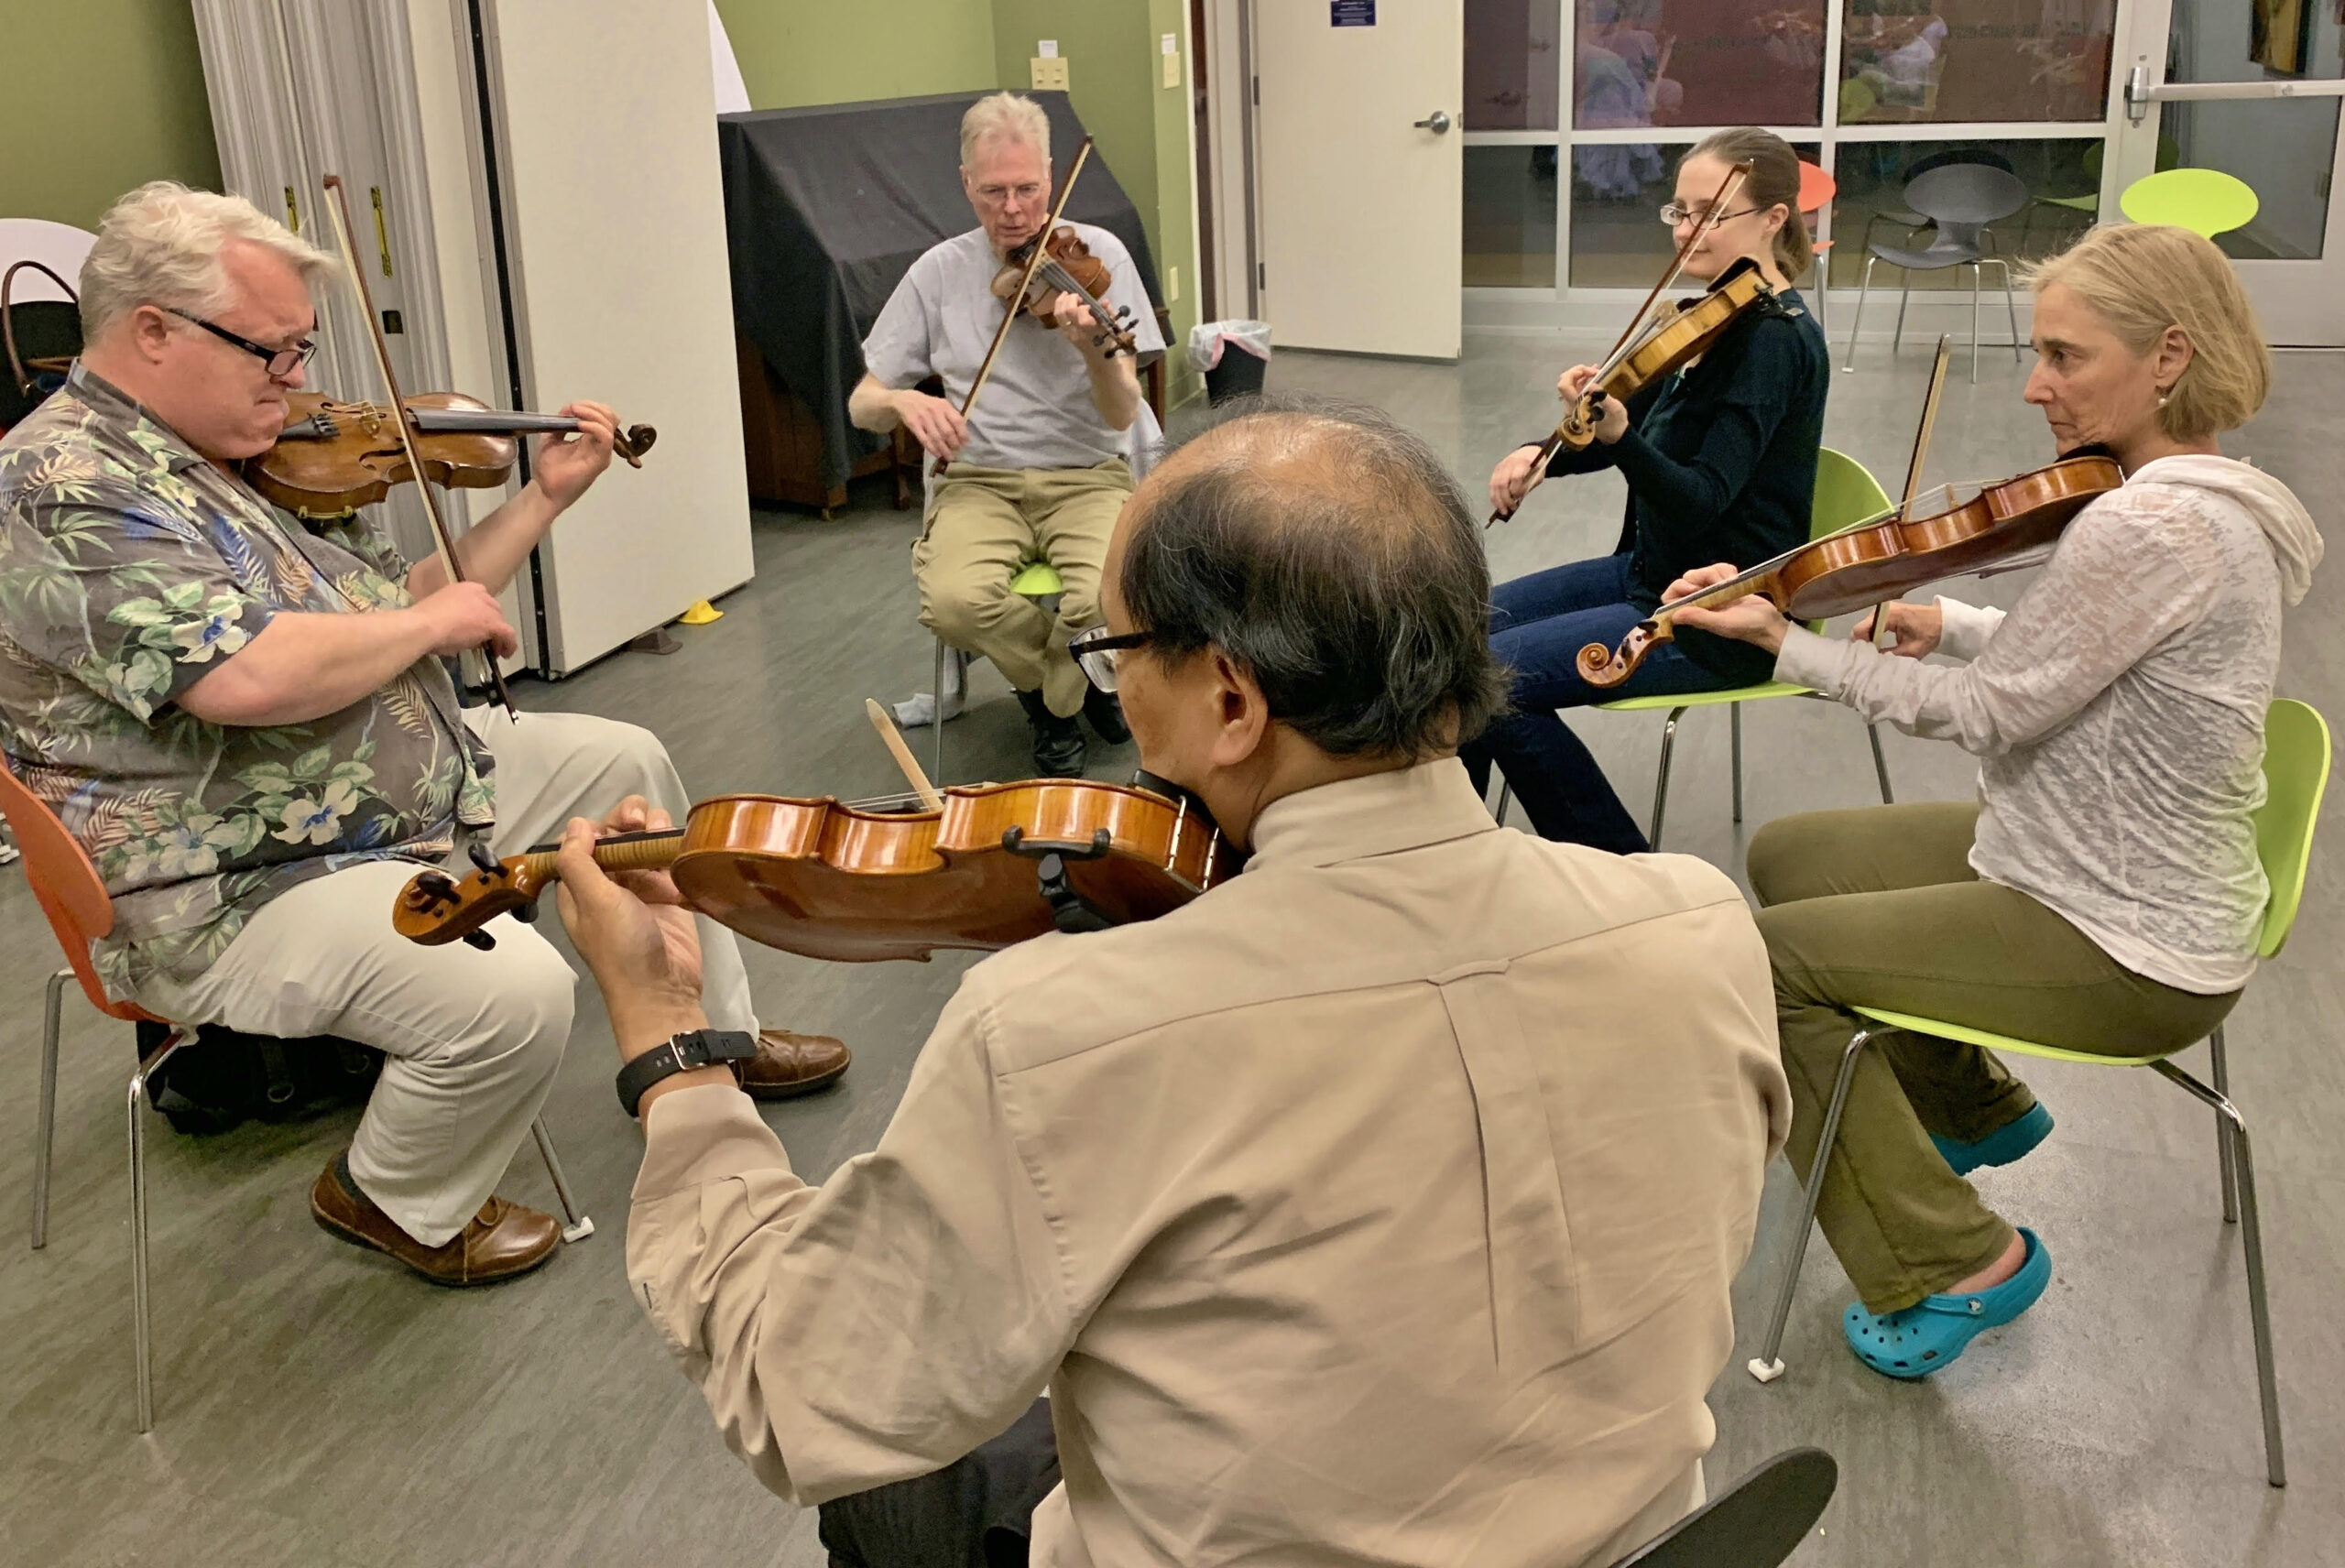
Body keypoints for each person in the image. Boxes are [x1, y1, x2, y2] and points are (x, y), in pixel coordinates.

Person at [561, 394, 1790, 1567]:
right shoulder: (1699, 925)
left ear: (1233, 700)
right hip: (1631, 1543)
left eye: (1110, 648)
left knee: (905, 1477)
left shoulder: (1059, 1032)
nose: (1111, 684)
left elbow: (800, 1387)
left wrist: (674, 1044)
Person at [0, 182, 849, 1289]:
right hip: (234, 878)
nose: (298, 380)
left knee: (622, 760)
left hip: (385, 792)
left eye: (301, 348)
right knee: (518, 990)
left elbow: (394, 605)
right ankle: (391, 1189)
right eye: (271, 349)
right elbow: (242, 676)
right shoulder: (59, 485)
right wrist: (423, 624)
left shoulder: (229, 447)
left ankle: (706, 1045)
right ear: (152, 330)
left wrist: (539, 502)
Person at [1666, 224, 2321, 1377]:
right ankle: (1967, 1107)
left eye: (2066, 356)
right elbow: (2091, 655)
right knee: (1788, 853)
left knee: (1768, 958)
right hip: (2092, 851)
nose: (2035, 386)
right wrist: (1950, 621)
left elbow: (1990, 717)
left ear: (2167, 356)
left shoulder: (2145, 519)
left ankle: (1951, 1261)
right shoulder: (2221, 498)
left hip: (2126, 934)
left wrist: (1788, 647)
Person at [1467, 126, 1828, 852]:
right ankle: (1458, 844)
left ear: (1773, 220)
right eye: (1679, 211)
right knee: (1461, 635)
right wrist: (1542, 455)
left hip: (1716, 610)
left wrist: (1622, 436)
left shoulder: (1771, 343)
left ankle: (1626, 876)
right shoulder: (1712, 318)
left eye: (1708, 214)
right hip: (1651, 572)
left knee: (1486, 684)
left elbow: (1697, 495)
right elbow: (1627, 435)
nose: (1688, 230)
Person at [850, 92, 1162, 779]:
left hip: (1086, 474)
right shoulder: (936, 273)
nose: (1015, 210)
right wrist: (902, 400)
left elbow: (1121, 415)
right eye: (994, 192)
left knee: (1106, 597)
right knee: (955, 603)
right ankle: (1063, 692)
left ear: (1051, 178)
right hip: (979, 482)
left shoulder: (1095, 257)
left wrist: (1093, 350)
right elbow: (860, 404)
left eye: (1027, 189)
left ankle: (1057, 697)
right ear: (966, 183)